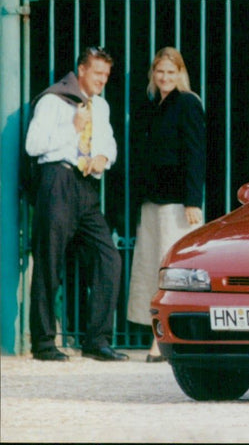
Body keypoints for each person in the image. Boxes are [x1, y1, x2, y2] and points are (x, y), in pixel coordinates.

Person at [25, 45, 128, 361]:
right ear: (81, 70)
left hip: (86, 187)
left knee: (108, 258)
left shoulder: (102, 106)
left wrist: (103, 157)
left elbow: (109, 142)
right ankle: (43, 344)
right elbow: (33, 146)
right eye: (98, 73)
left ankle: (97, 341)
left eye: (106, 75)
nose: (102, 80)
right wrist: (72, 129)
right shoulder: (52, 101)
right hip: (58, 180)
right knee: (49, 260)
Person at [127, 47, 206, 361]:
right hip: (151, 201)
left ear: (180, 74)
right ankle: (156, 338)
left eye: (171, 72)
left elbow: (196, 153)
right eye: (160, 71)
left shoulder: (188, 103)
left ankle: (169, 341)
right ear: (152, 74)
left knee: (171, 269)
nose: (165, 77)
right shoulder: (150, 107)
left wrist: (192, 200)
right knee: (150, 268)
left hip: (176, 203)